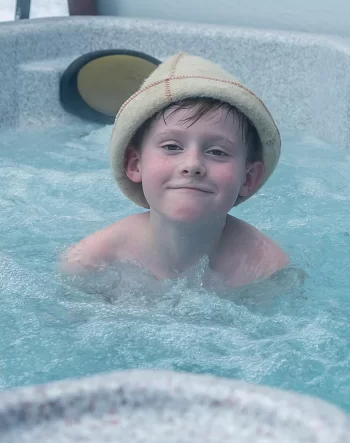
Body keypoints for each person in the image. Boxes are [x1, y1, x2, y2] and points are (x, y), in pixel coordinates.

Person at [60, 52, 290, 290]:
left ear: (248, 177)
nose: (192, 165)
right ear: (135, 164)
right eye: (172, 146)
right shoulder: (91, 262)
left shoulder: (267, 269)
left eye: (217, 152)